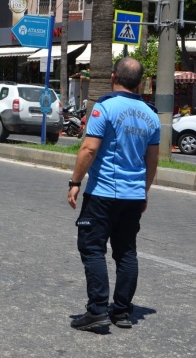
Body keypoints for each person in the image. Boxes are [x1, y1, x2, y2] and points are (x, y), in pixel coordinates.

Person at [67, 57, 160, 331]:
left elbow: (88, 149)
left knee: (93, 248)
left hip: (103, 194)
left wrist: (74, 181)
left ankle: (97, 310)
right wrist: (143, 192)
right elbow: (152, 162)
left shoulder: (104, 108)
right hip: (133, 195)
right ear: (140, 83)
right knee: (126, 252)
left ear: (112, 78)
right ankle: (121, 312)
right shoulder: (151, 115)